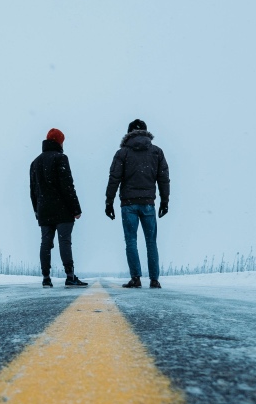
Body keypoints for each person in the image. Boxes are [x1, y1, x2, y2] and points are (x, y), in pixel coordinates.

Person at [105, 119, 170, 288]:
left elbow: (114, 179)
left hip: (128, 204)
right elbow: (163, 179)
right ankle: (154, 280)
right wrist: (165, 201)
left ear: (128, 133)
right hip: (148, 203)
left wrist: (109, 202)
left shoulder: (122, 153)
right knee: (151, 241)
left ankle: (136, 278)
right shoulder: (156, 152)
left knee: (131, 241)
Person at [30, 128, 89, 288]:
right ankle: (70, 276)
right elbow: (67, 186)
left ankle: (46, 278)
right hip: (62, 210)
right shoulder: (61, 158)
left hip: (44, 210)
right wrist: (76, 209)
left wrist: (37, 210)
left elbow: (33, 191)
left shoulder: (35, 162)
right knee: (65, 242)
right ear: (59, 142)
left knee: (45, 243)